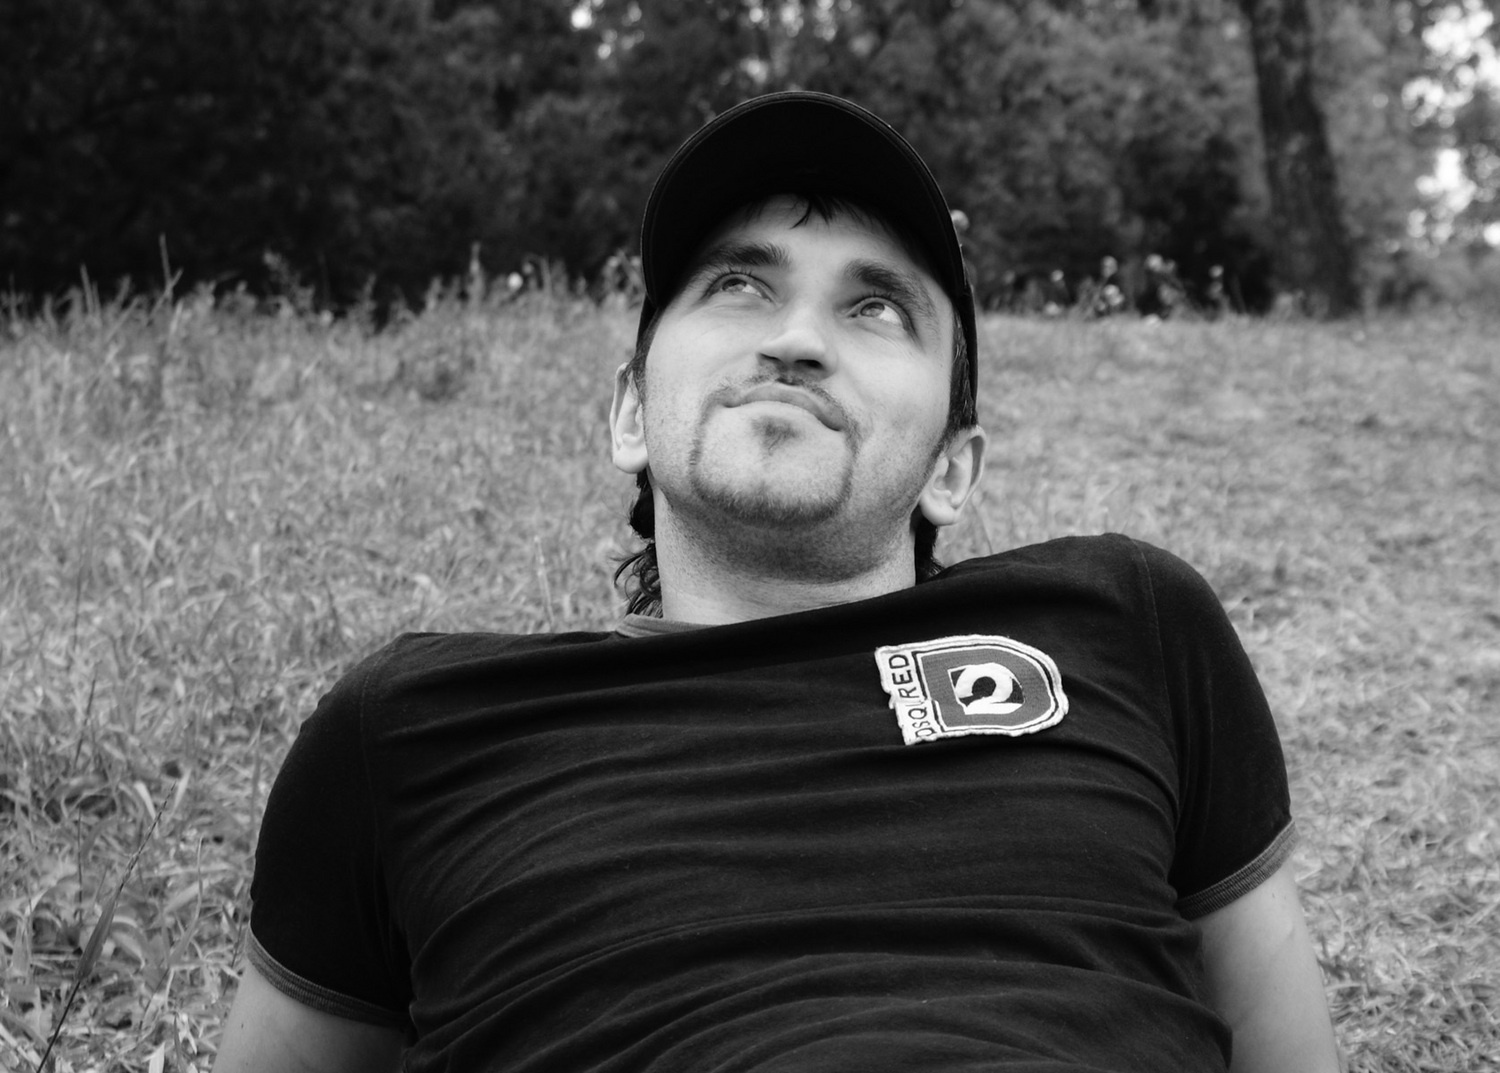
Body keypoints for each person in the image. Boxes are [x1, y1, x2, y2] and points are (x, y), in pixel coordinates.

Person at [214, 92, 1342, 1073]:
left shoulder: (1124, 622)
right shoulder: (416, 727)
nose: (797, 338)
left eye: (875, 306)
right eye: (739, 284)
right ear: (629, 412)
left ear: (952, 469)